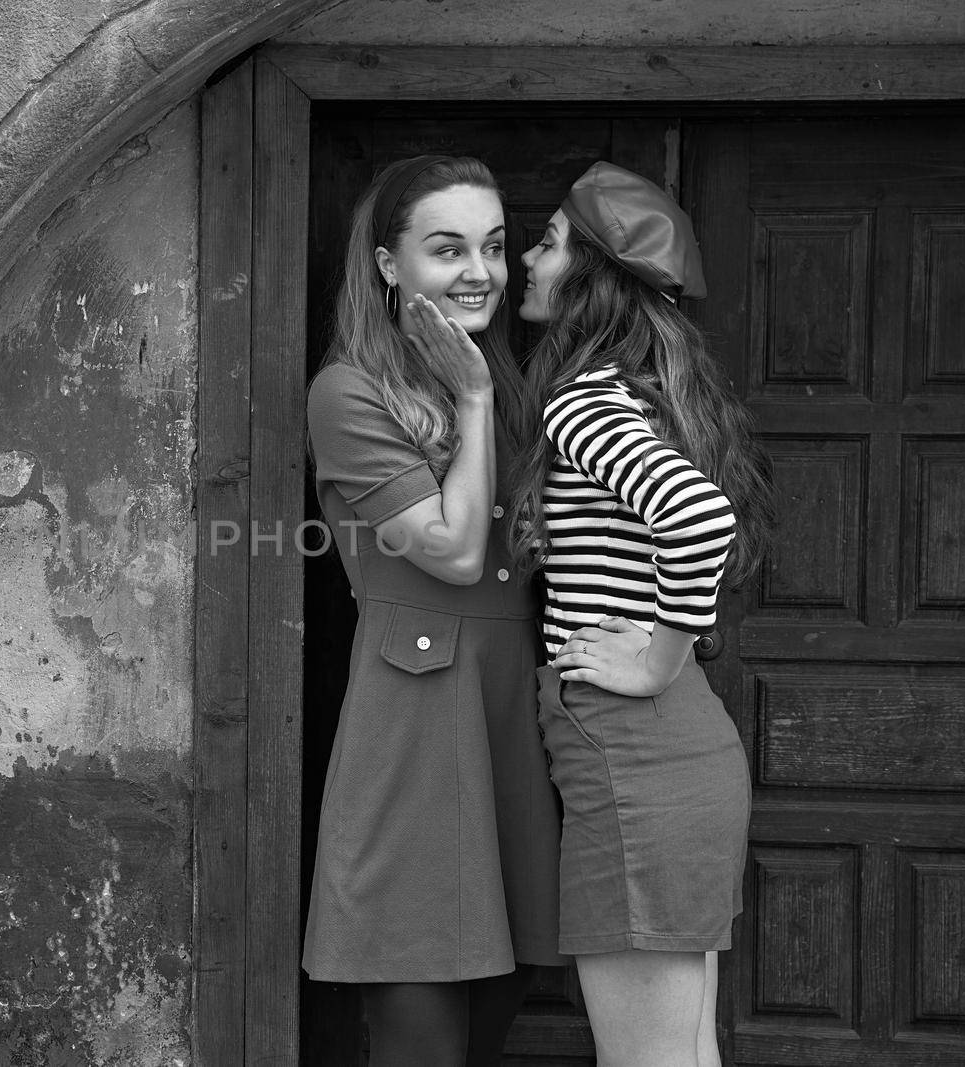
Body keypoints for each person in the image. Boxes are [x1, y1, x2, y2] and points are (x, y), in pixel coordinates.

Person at [303, 155, 564, 1067]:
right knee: (421, 1025)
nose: (480, 271)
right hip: (415, 719)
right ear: (387, 266)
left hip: (508, 714)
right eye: (447, 248)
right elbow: (452, 552)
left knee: (500, 1003)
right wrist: (477, 396)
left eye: (493, 246)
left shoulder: (512, 383)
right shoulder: (349, 392)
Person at [512, 161, 775, 1067]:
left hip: (637, 757)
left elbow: (698, 516)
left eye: (545, 244)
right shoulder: (641, 395)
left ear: (589, 275)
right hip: (668, 756)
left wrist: (661, 655)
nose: (526, 263)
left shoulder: (583, 401)